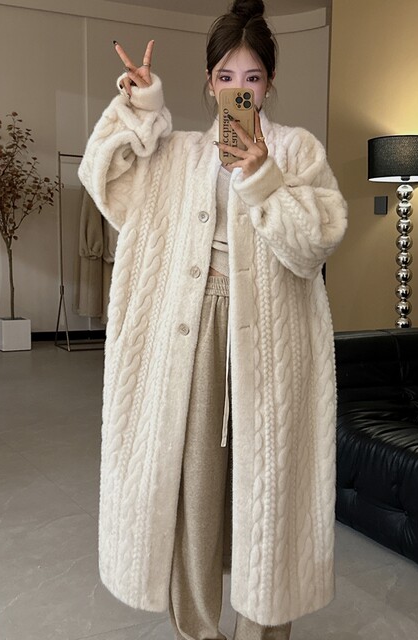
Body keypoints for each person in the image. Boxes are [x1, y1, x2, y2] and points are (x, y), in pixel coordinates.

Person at [78, 0, 347, 638]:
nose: (237, 90)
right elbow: (105, 181)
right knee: (193, 491)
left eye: (251, 78)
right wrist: (142, 110)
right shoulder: (178, 153)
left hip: (271, 347)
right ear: (208, 82)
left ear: (269, 84)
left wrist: (262, 177)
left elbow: (315, 244)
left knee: (268, 497)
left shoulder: (296, 149)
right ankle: (198, 630)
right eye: (226, 77)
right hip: (193, 334)